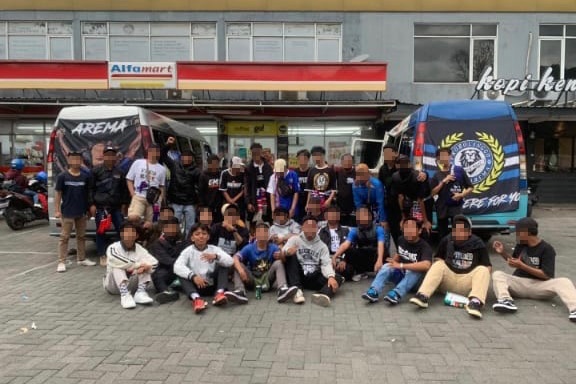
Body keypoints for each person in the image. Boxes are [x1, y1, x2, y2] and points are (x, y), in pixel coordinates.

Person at [492, 217, 576, 322]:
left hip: (539, 286)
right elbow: (513, 262)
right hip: (520, 284)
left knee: (564, 281)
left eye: (518, 232)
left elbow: (546, 275)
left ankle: (574, 309)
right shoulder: (520, 245)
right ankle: (505, 301)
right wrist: (502, 253)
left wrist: (522, 266)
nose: (516, 235)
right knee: (498, 274)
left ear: (527, 233)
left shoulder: (547, 249)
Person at [410, 215, 491, 319]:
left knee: (483, 269)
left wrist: (481, 283)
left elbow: (488, 266)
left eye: (462, 231)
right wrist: (444, 263)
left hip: (467, 283)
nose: (458, 233)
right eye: (456, 230)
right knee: (438, 265)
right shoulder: (447, 240)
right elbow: (438, 258)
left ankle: (475, 302)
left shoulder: (478, 243)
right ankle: (423, 295)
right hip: (449, 280)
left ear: (469, 232)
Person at [362, 218, 432, 304]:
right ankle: (374, 291)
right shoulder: (401, 239)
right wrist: (391, 264)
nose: (408, 231)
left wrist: (401, 265)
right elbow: (399, 254)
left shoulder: (425, 247)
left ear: (420, 230)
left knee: (414, 271)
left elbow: (426, 266)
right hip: (402, 276)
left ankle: (396, 294)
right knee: (387, 266)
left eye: (412, 228)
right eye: (406, 228)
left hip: (417, 283)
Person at [227, 222, 299, 304]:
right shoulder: (249, 248)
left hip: (268, 279)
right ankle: (240, 292)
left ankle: (282, 290)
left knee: (278, 263)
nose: (262, 234)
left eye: (264, 232)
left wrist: (281, 256)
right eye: (259, 232)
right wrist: (241, 270)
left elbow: (284, 262)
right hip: (252, 280)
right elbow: (235, 258)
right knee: (238, 265)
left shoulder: (273, 247)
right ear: (255, 235)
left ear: (268, 235)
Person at [282, 215, 345, 307]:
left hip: (313, 277)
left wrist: (331, 276)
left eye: (313, 226)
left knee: (337, 277)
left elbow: (326, 264)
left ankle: (322, 295)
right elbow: (284, 250)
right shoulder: (294, 240)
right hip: (298, 276)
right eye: (307, 226)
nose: (310, 229)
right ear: (302, 227)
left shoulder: (322, 246)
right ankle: (297, 291)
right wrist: (287, 252)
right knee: (291, 257)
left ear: (317, 228)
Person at [174, 223, 234, 314]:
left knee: (223, 264)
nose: (201, 236)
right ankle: (197, 299)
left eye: (204, 234)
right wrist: (193, 276)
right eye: (197, 234)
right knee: (181, 273)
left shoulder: (214, 249)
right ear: (192, 238)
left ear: (208, 237)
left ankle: (219, 293)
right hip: (196, 285)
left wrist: (216, 257)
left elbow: (230, 261)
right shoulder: (188, 251)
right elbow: (177, 266)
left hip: (211, 284)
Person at [54, 151, 96, 272]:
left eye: (78, 159)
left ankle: (81, 259)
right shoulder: (62, 176)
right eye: (73, 159)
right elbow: (58, 194)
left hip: (81, 212)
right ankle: (61, 261)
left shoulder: (85, 177)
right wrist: (57, 210)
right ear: (69, 161)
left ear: (81, 161)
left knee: (81, 236)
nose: (76, 162)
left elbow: (87, 194)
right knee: (64, 237)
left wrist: (88, 210)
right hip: (67, 211)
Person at [104, 221, 158, 309]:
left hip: (132, 286)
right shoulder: (113, 247)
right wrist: (138, 266)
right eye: (126, 232)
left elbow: (154, 263)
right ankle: (124, 295)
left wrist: (145, 267)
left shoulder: (140, 249)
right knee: (117, 266)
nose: (129, 234)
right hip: (113, 286)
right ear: (121, 234)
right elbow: (115, 260)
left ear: (136, 236)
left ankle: (140, 292)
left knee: (147, 265)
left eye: (132, 232)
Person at [89, 146, 127, 266]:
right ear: (104, 156)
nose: (110, 157)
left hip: (116, 207)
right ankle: (102, 255)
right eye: (108, 154)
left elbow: (123, 190)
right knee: (101, 231)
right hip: (101, 207)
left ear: (115, 157)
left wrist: (124, 205)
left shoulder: (120, 172)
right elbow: (90, 189)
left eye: (112, 155)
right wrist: (91, 204)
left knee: (122, 230)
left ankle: (121, 254)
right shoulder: (96, 171)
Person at [331, 206, 387, 281]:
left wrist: (379, 260)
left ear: (370, 217)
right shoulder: (354, 231)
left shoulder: (378, 229)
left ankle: (380, 271)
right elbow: (345, 245)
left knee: (384, 252)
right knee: (349, 251)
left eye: (363, 215)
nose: (361, 218)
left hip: (376, 256)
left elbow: (381, 245)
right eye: (359, 216)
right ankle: (360, 272)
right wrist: (335, 257)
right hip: (363, 256)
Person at [430, 147, 473, 241]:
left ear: (450, 156)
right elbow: (432, 193)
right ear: (438, 159)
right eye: (441, 156)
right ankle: (444, 253)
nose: (444, 158)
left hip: (456, 208)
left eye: (446, 155)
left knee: (459, 233)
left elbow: (470, 187)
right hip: (441, 208)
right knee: (443, 234)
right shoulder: (436, 175)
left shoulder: (459, 170)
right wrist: (443, 181)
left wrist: (461, 195)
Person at [161, 137, 201, 236]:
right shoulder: (174, 165)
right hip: (175, 201)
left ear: (192, 159)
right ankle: (174, 242)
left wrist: (197, 202)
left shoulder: (196, 171)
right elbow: (163, 156)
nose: (186, 158)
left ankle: (188, 244)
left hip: (190, 203)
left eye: (189, 157)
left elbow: (199, 188)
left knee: (190, 227)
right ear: (181, 157)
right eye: (184, 156)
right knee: (174, 225)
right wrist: (168, 144)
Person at [126, 143, 167, 225]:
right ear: (148, 152)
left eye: (156, 151)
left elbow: (162, 186)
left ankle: (146, 235)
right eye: (152, 151)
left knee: (151, 224)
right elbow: (129, 179)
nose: (154, 153)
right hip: (139, 195)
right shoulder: (138, 162)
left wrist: (160, 199)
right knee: (133, 218)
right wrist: (132, 193)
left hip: (154, 200)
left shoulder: (162, 169)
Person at [390, 155, 431, 235]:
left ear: (410, 164)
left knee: (423, 230)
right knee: (406, 229)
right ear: (397, 165)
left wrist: (425, 220)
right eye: (400, 163)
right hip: (407, 203)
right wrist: (403, 217)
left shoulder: (417, 176)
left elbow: (420, 199)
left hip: (423, 202)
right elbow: (400, 197)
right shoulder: (395, 177)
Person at [148, 217, 185, 304]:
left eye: (174, 227)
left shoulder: (182, 240)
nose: (172, 230)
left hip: (181, 269)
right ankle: (166, 292)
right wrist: (180, 263)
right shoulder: (158, 243)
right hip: (166, 269)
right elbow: (166, 260)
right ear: (164, 228)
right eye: (169, 227)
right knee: (158, 275)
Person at [353, 163, 387, 229]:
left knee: (381, 229)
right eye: (358, 174)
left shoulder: (377, 184)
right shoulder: (355, 185)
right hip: (364, 209)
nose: (360, 176)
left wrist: (383, 220)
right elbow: (358, 204)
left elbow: (380, 203)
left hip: (377, 209)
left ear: (368, 173)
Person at [245, 143, 273, 223]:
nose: (256, 156)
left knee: (268, 221)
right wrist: (248, 202)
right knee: (253, 222)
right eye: (253, 153)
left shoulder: (268, 167)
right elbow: (247, 186)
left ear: (261, 153)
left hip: (267, 200)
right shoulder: (249, 168)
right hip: (254, 199)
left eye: (258, 153)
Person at [305, 146, 336, 213]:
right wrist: (308, 204)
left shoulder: (330, 170)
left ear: (323, 155)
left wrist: (329, 200)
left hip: (326, 201)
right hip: (314, 201)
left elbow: (334, 188)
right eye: (314, 156)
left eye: (318, 155)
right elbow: (310, 190)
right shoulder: (311, 170)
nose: (316, 158)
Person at [219, 156, 247, 221]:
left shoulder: (242, 174)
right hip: (227, 203)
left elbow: (243, 190)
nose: (238, 168)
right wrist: (230, 201)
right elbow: (223, 190)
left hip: (239, 203)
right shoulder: (225, 173)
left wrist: (234, 200)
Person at [199, 154, 223, 224]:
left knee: (219, 224)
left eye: (216, 164)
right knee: (206, 225)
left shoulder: (221, 174)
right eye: (212, 164)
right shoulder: (203, 175)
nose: (214, 166)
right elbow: (201, 191)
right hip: (207, 206)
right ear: (209, 164)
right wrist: (202, 206)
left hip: (219, 206)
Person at [335, 153, 356, 227]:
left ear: (353, 162)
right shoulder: (337, 172)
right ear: (341, 162)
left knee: (352, 228)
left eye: (349, 161)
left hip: (353, 208)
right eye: (345, 161)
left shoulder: (357, 172)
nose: (347, 162)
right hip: (340, 207)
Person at [294, 149, 311, 224]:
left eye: (304, 158)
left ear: (308, 159)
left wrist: (309, 203)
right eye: (299, 158)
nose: (302, 161)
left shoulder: (312, 171)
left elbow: (312, 189)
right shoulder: (294, 172)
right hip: (297, 202)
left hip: (309, 201)